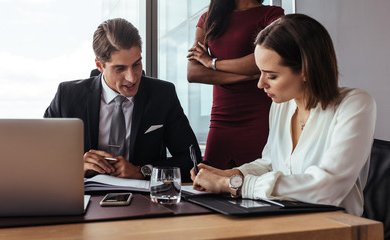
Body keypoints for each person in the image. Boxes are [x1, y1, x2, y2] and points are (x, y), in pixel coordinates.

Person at [190, 13, 376, 216]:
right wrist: (230, 173)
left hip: (334, 228)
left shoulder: (355, 104)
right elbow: (270, 163)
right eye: (260, 72)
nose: (261, 84)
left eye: (271, 75)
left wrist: (232, 184)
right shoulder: (282, 105)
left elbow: (328, 188)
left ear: (306, 69)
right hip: (282, 220)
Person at [44, 18, 201, 181]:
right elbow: (40, 156)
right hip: (84, 199)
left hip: (144, 201)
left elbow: (192, 160)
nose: (132, 78)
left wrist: (142, 171)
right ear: (99, 65)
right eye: (120, 68)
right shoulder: (68, 96)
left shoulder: (163, 95)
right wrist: (76, 166)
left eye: (136, 64)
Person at [187, 0, 284, 169]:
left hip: (260, 117)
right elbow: (194, 73)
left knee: (257, 183)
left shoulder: (272, 14)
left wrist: (212, 63)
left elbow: (264, 59)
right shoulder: (208, 18)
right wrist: (245, 76)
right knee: (207, 182)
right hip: (221, 119)